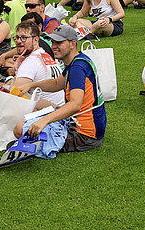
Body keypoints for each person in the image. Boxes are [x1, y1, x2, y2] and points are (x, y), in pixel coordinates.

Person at [22, 24, 106, 152]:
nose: (53, 46)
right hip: (84, 126)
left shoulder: (77, 68)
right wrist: (31, 85)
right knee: (34, 111)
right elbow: (56, 84)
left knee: (20, 129)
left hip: (83, 135)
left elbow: (75, 105)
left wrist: (44, 120)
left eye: (59, 43)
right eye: (53, 42)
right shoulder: (77, 61)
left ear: (73, 44)